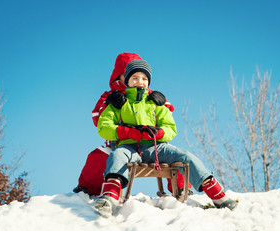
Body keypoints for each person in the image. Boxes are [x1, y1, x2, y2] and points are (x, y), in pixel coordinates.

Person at [94, 59, 238, 217]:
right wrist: (128, 132)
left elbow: (171, 128)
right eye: (134, 78)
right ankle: (110, 198)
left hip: (155, 147)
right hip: (128, 147)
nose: (139, 82)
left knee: (186, 156)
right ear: (126, 81)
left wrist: (159, 133)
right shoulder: (119, 103)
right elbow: (104, 127)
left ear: (148, 82)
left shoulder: (154, 103)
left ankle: (218, 195)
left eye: (144, 79)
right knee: (117, 156)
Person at [73, 53, 191, 196]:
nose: (137, 80)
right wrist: (108, 103)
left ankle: (182, 187)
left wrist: (162, 102)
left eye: (141, 76)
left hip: (150, 143)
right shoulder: (109, 96)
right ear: (119, 77)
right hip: (121, 143)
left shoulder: (149, 95)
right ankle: (89, 189)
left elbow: (167, 117)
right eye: (127, 75)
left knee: (173, 153)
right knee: (98, 156)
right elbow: (98, 119)